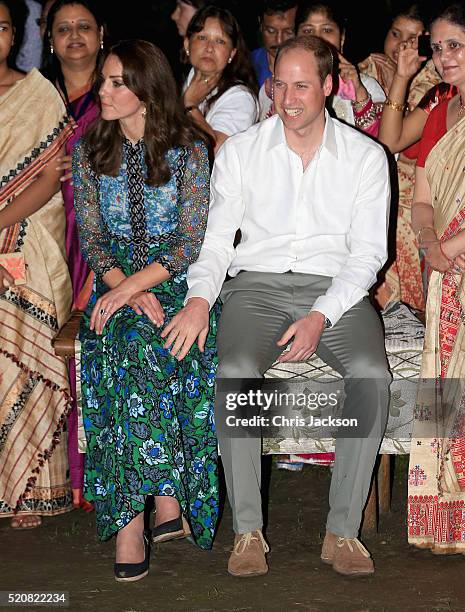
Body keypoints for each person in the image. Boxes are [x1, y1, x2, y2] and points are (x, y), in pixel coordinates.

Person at [162, 34, 391, 578]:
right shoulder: (241, 151)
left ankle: (342, 531)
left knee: (370, 375)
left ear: (329, 86)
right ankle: (247, 530)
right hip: (256, 287)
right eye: (279, 84)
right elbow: (217, 242)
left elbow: (367, 256)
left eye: (302, 85)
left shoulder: (365, 157)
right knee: (236, 371)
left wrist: (321, 315)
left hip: (334, 287)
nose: (288, 97)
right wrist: (198, 300)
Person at [72, 39, 220, 582]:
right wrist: (124, 289)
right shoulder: (89, 150)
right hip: (116, 282)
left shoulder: (189, 149)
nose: (103, 91)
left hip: (178, 283)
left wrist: (137, 286)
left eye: (116, 82)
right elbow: (93, 239)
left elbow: (188, 242)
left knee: (155, 346)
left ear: (147, 90)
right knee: (120, 346)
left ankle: (150, 506)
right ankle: (146, 509)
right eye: (104, 81)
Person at [0, 0, 74, 529]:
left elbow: (50, 178)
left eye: (1, 27)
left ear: (16, 34)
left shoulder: (38, 95)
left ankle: (29, 487)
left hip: (27, 243)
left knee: (23, 359)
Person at [42, 0, 104, 510]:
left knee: (83, 348)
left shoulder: (116, 93)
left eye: (83, 26)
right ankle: (50, 479)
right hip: (40, 236)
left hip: (93, 239)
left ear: (101, 34)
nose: (74, 36)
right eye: (64, 29)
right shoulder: (37, 97)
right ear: (49, 37)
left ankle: (89, 480)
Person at [408, 2, 465, 554]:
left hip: (458, 257)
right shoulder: (438, 114)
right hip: (446, 272)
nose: (443, 57)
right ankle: (447, 521)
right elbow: (423, 200)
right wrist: (429, 244)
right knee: (447, 392)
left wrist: (451, 245)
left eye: (456, 45)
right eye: (439, 46)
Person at [292, 1, 385, 135]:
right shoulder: (283, 87)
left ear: (342, 38)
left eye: (327, 30)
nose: (318, 39)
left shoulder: (366, 86)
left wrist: (358, 93)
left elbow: (381, 144)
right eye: (308, 30)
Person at [182, 5, 258, 153]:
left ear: (232, 53)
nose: (209, 48)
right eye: (202, 38)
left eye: (220, 41)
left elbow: (218, 152)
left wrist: (190, 106)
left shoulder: (241, 97)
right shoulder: (174, 82)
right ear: (187, 44)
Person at [251, 0, 297, 87]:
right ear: (260, 24)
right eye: (271, 31)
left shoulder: (311, 68)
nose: (279, 40)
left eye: (288, 32)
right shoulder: (247, 67)